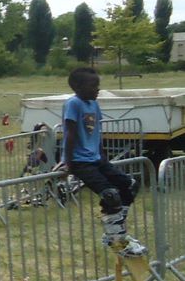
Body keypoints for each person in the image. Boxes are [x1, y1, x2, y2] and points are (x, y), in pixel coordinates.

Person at [59, 67, 147, 258]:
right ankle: (118, 239)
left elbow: (97, 132)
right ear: (77, 86)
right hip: (80, 161)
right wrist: (68, 162)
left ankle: (114, 232)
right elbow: (70, 134)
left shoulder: (93, 104)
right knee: (110, 194)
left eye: (98, 85)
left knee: (130, 185)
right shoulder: (73, 104)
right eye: (93, 86)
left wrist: (102, 155)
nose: (97, 89)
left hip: (96, 159)